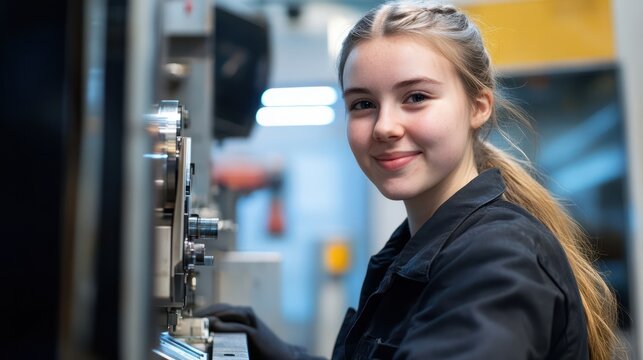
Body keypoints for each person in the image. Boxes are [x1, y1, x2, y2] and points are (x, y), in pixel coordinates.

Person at [195, 1, 624, 359]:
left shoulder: (496, 260)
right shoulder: (418, 249)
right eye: (363, 103)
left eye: (415, 97)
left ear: (479, 106)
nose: (384, 126)